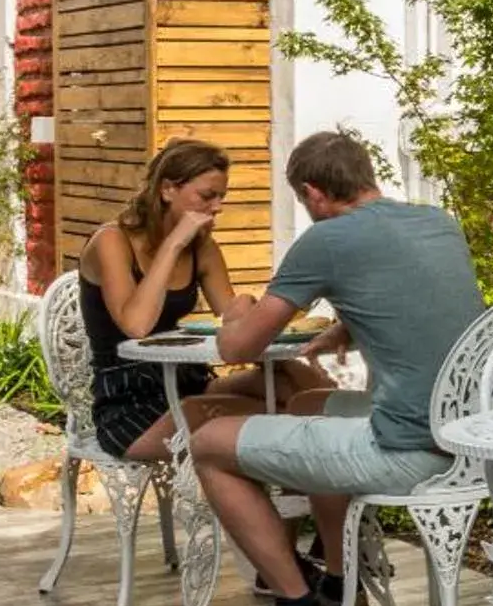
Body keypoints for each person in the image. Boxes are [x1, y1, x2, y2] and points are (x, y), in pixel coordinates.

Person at [189, 130, 488, 606]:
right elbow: (416, 299)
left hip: (409, 451)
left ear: (313, 193)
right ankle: (339, 586)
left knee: (209, 442)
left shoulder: (327, 240)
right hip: (466, 439)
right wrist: (349, 325)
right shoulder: (437, 221)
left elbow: (240, 347)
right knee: (308, 405)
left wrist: (238, 308)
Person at [79, 139, 334, 466]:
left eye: (221, 197)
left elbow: (232, 319)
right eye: (207, 196)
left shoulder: (202, 248)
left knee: (298, 388)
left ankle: (308, 495)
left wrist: (248, 314)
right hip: (129, 402)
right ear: (168, 189)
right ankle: (284, 495)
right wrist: (173, 244)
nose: (217, 207)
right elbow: (136, 325)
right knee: (283, 413)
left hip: (191, 381)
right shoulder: (112, 241)